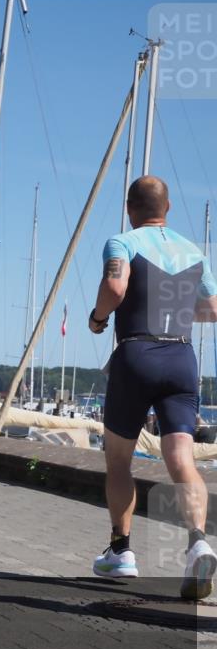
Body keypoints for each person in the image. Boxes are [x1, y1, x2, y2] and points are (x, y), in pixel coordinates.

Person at [88, 176, 217, 600]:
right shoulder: (194, 250)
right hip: (181, 359)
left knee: (119, 459)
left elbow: (114, 286)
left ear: (129, 208)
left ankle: (121, 552)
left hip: (137, 355)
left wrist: (98, 318)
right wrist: (173, 309)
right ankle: (198, 540)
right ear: (169, 207)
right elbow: (213, 308)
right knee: (181, 458)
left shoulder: (121, 242)